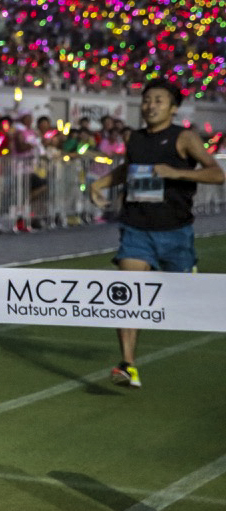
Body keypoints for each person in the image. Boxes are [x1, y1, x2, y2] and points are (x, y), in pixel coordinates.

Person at [89, 79, 223, 388]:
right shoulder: (134, 138)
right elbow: (128, 169)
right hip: (136, 227)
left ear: (173, 108)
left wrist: (177, 172)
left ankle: (186, 269)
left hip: (175, 230)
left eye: (158, 100)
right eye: (147, 99)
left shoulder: (184, 137)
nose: (150, 105)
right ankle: (127, 365)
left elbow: (216, 173)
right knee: (128, 296)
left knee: (183, 296)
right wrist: (100, 183)